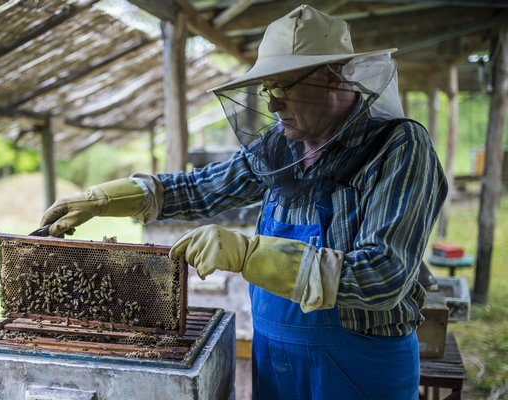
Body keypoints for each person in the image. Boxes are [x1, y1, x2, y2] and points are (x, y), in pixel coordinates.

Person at [40, 5, 447, 399]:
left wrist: (250, 253)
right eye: (268, 90)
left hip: (360, 367)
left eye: (284, 88)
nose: (272, 104)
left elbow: (383, 276)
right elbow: (203, 188)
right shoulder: (280, 146)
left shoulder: (399, 147)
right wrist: (106, 198)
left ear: (332, 78)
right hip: (276, 357)